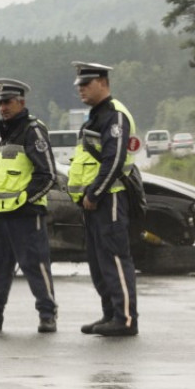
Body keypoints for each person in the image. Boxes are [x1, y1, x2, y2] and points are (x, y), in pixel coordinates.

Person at [0, 78, 58, 333]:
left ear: (21, 102)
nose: (3, 107)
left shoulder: (33, 131)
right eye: (0, 103)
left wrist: (24, 199)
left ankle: (47, 315)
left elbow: (47, 174)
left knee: (36, 266)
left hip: (26, 215)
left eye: (8, 102)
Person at [67, 62, 140, 337]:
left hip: (108, 199)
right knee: (99, 263)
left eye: (86, 84)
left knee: (115, 260)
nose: (81, 90)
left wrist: (95, 193)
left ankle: (125, 319)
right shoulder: (96, 116)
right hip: (93, 203)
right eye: (79, 86)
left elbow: (114, 160)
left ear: (103, 83)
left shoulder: (115, 116)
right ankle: (110, 314)